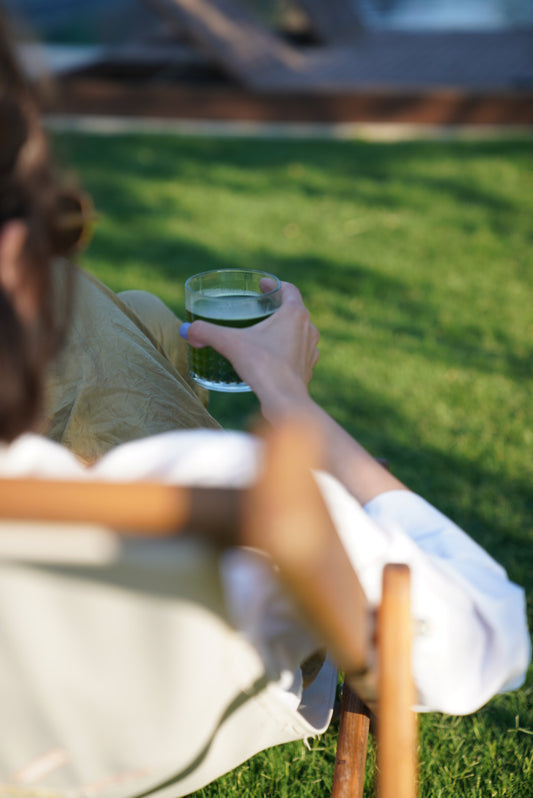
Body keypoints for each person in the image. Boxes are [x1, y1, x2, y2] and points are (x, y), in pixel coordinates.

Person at [0, 9, 530, 797]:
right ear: (17, 246)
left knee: (140, 312)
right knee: (92, 307)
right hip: (153, 701)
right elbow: (486, 642)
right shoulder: (219, 486)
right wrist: (289, 399)